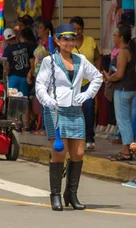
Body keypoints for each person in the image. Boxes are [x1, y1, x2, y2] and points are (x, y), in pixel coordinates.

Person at [35, 24, 102, 212]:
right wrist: (47, 99)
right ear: (57, 40)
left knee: (79, 153)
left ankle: (71, 193)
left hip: (75, 110)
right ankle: (55, 194)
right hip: (55, 110)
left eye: (71, 39)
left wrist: (87, 94)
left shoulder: (80, 60)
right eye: (64, 39)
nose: (69, 42)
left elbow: (97, 77)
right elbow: (40, 84)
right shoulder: (50, 61)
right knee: (59, 152)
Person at [104, 24, 136, 161]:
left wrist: (108, 78)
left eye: (115, 35)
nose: (114, 37)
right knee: (128, 119)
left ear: (121, 37)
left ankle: (125, 150)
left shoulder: (123, 52)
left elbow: (120, 74)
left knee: (123, 121)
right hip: (131, 88)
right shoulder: (131, 50)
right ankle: (129, 148)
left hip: (122, 89)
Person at [70, 16, 101, 151]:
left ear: (83, 29)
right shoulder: (66, 43)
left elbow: (98, 57)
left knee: (88, 108)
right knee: (72, 111)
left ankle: (89, 138)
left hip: (88, 82)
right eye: (74, 29)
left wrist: (98, 71)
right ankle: (74, 138)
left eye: (79, 29)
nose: (77, 32)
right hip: (72, 83)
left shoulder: (90, 41)